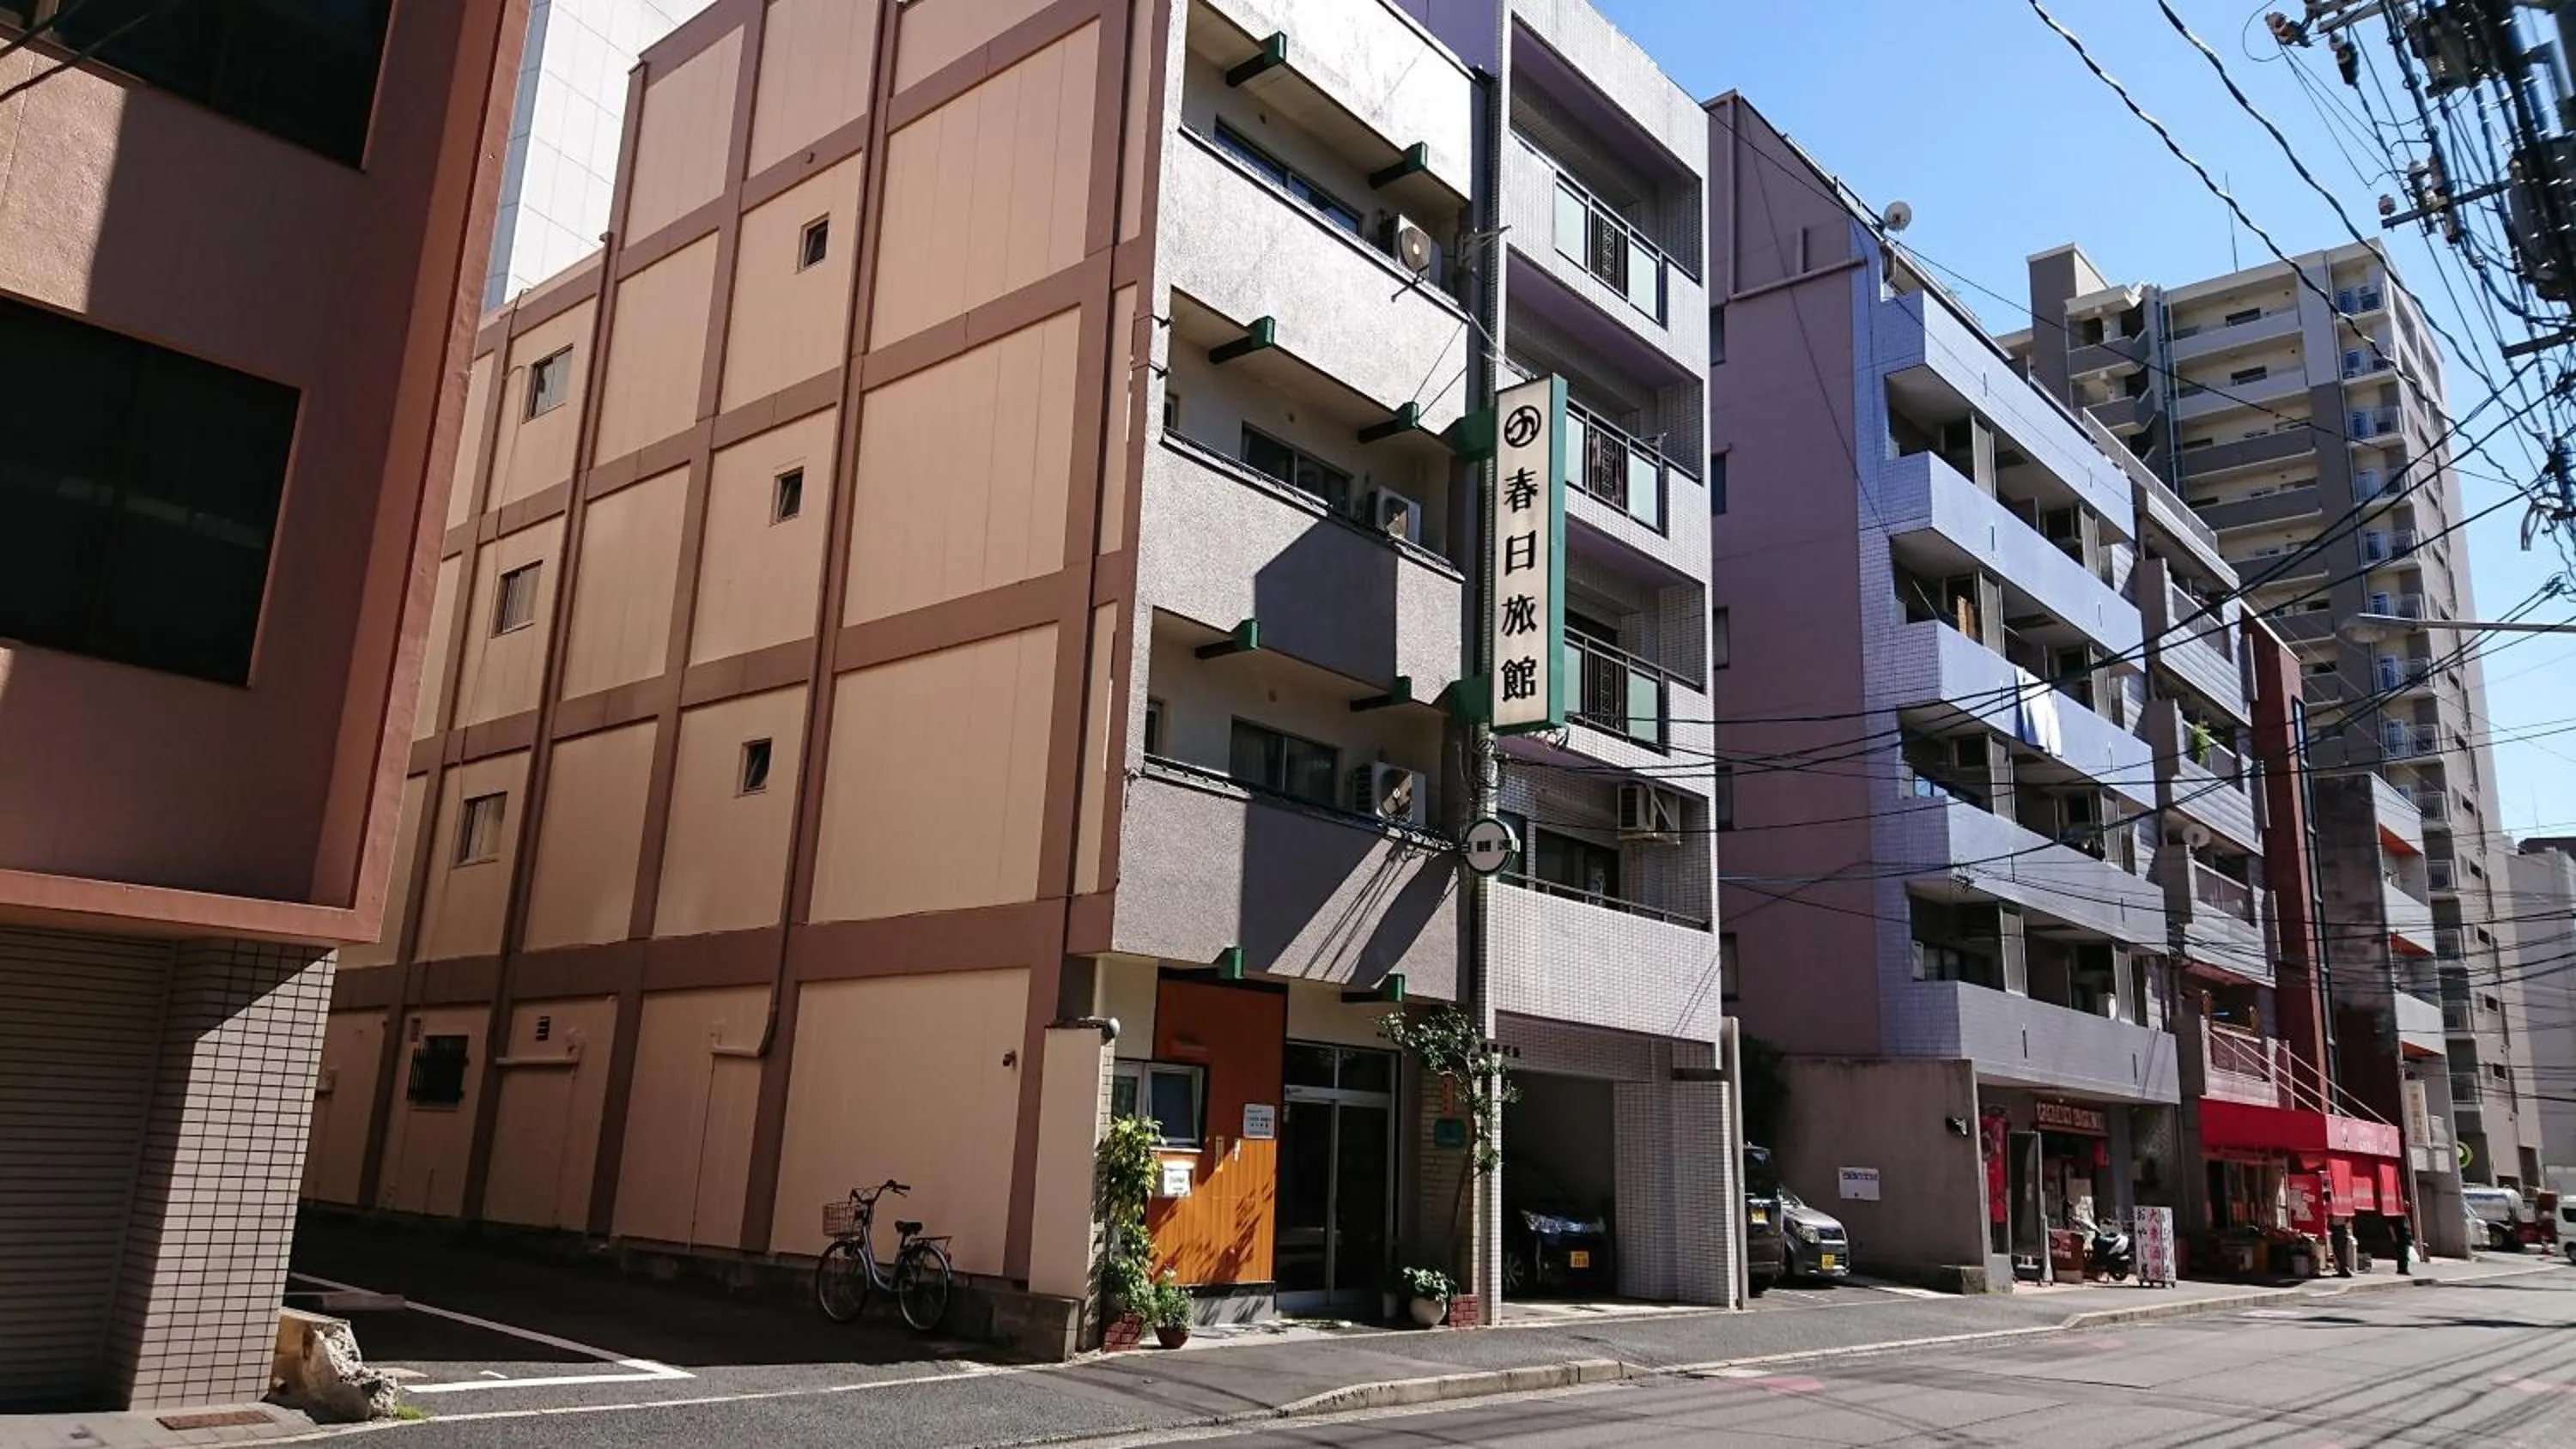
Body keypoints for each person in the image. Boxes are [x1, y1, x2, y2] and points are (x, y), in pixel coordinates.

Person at [2393, 1210, 2414, 1276]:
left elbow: (2408, 1228)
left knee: (2405, 1254)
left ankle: (2403, 1268)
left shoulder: (2405, 1216)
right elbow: (2391, 1226)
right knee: (2403, 1254)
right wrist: (2394, 1237)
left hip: (2406, 1237)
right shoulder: (2398, 1216)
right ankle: (2402, 1269)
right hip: (2401, 1238)